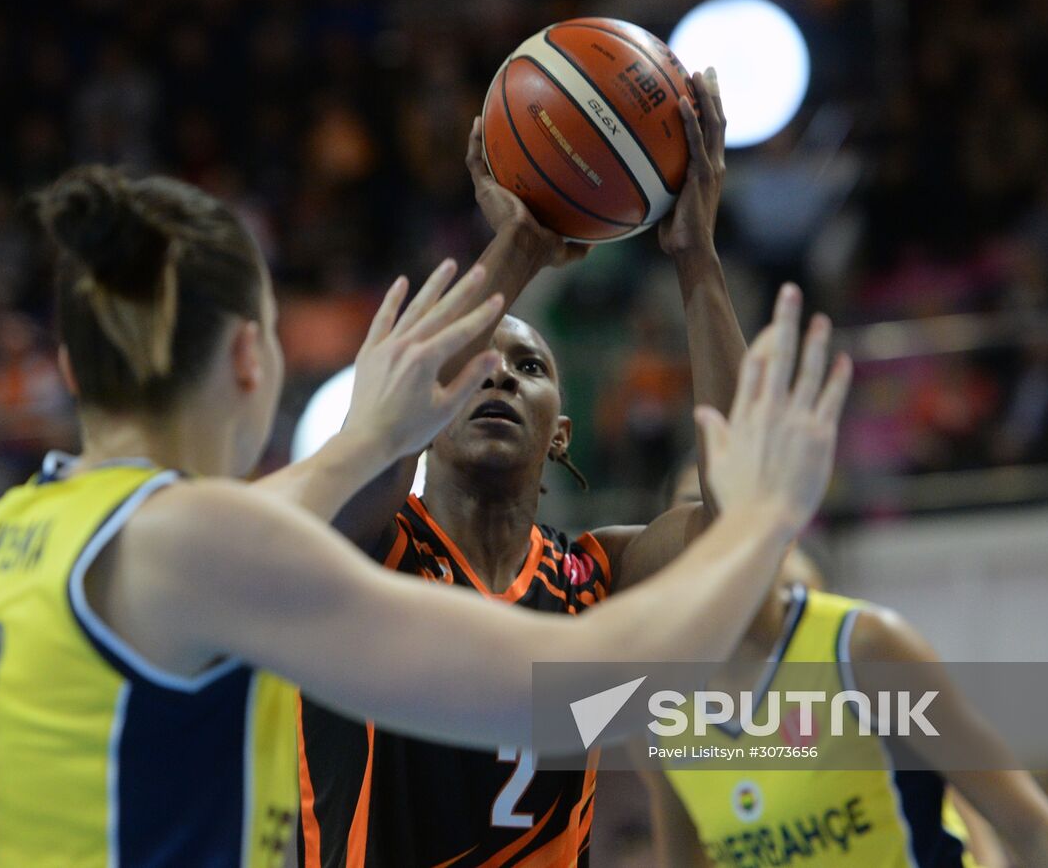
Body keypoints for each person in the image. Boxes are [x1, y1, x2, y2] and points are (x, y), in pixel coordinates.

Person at [0, 164, 851, 867]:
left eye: (528, 368)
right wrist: (766, 515)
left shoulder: (19, 533)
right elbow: (576, 678)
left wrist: (553, 249)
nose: (496, 379)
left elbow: (318, 478)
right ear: (253, 359)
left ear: (75, 371)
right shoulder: (201, 543)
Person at [295, 70, 776, 867]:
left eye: (529, 368)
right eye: (480, 362)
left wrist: (695, 255)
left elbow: (741, 518)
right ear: (432, 403)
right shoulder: (367, 549)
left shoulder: (596, 578)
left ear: (561, 432)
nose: (497, 377)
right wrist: (521, 243)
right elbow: (377, 434)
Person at [632, 456, 1048, 868]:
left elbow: (1027, 824)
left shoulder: (866, 647)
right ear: (661, 538)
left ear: (786, 527)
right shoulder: (656, 706)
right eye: (696, 509)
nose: (715, 530)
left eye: (732, 507)